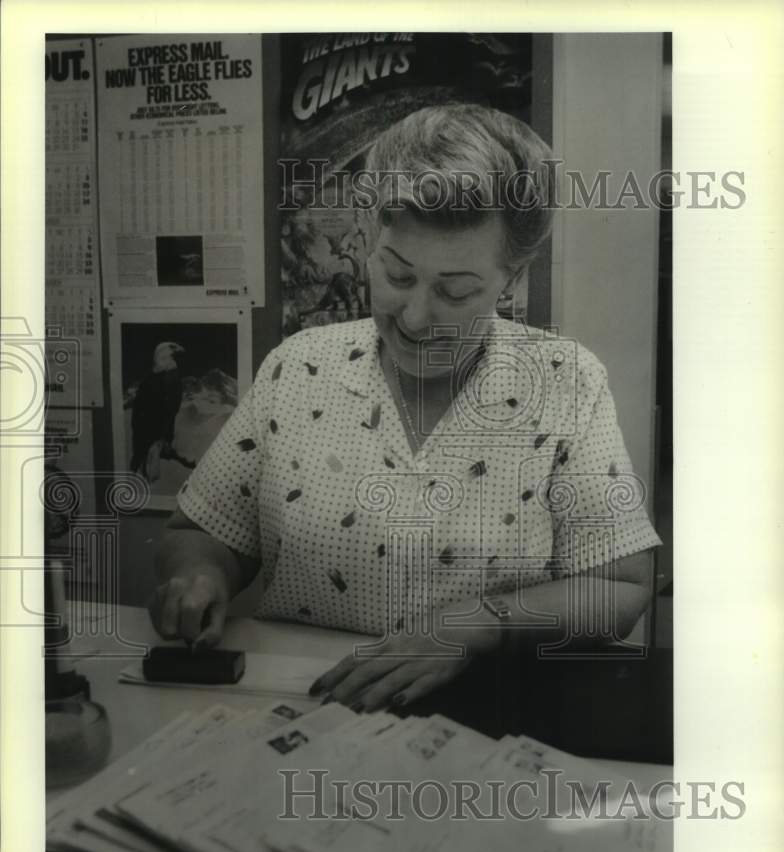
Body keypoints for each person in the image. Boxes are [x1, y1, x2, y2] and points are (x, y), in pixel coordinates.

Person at [149, 104, 661, 716]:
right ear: (370, 241)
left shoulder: (566, 382)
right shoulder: (298, 367)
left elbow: (620, 588)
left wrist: (473, 625)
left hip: (487, 715)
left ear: (512, 278)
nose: (415, 317)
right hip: (303, 705)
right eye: (397, 275)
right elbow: (205, 532)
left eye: (455, 290)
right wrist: (199, 574)